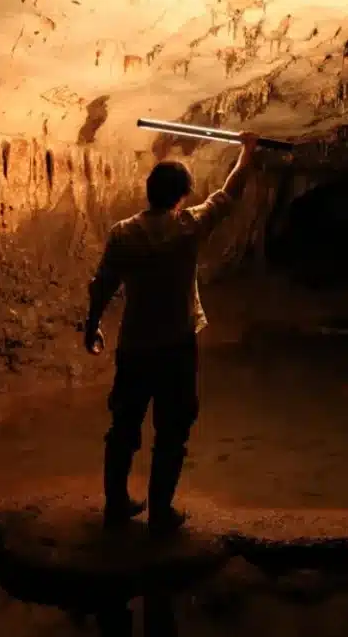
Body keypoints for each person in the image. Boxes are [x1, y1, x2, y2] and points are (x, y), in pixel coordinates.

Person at [84, 131, 260, 535]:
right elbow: (229, 193)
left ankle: (115, 505)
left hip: (135, 345)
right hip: (176, 347)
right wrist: (247, 152)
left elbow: (103, 284)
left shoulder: (123, 233)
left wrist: (92, 325)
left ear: (149, 193)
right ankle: (160, 512)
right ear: (182, 195)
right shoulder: (189, 226)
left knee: (124, 426)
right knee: (173, 429)